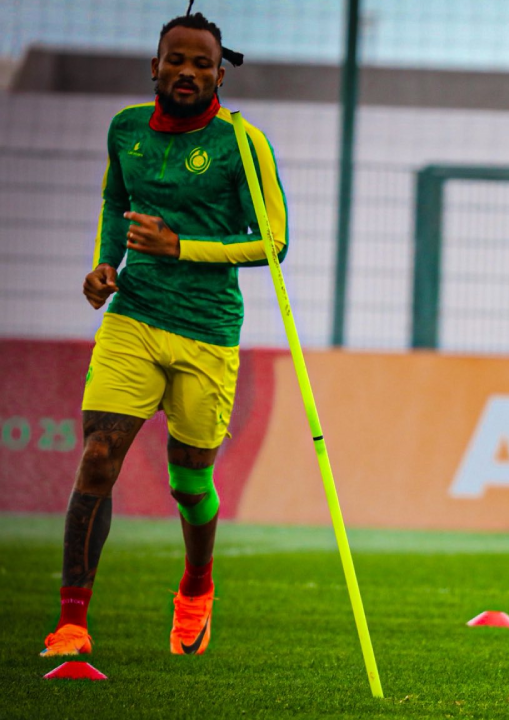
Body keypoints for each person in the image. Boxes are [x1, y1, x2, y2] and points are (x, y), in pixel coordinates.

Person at [41, 11, 287, 657]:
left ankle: (197, 587)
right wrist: (104, 266)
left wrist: (181, 246)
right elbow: (114, 205)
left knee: (189, 482)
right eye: (176, 59)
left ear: (220, 76)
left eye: (202, 63)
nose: (188, 71)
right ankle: (71, 621)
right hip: (135, 316)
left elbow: (275, 241)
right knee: (98, 456)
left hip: (207, 330)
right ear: (155, 66)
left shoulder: (244, 142)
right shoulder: (125, 130)